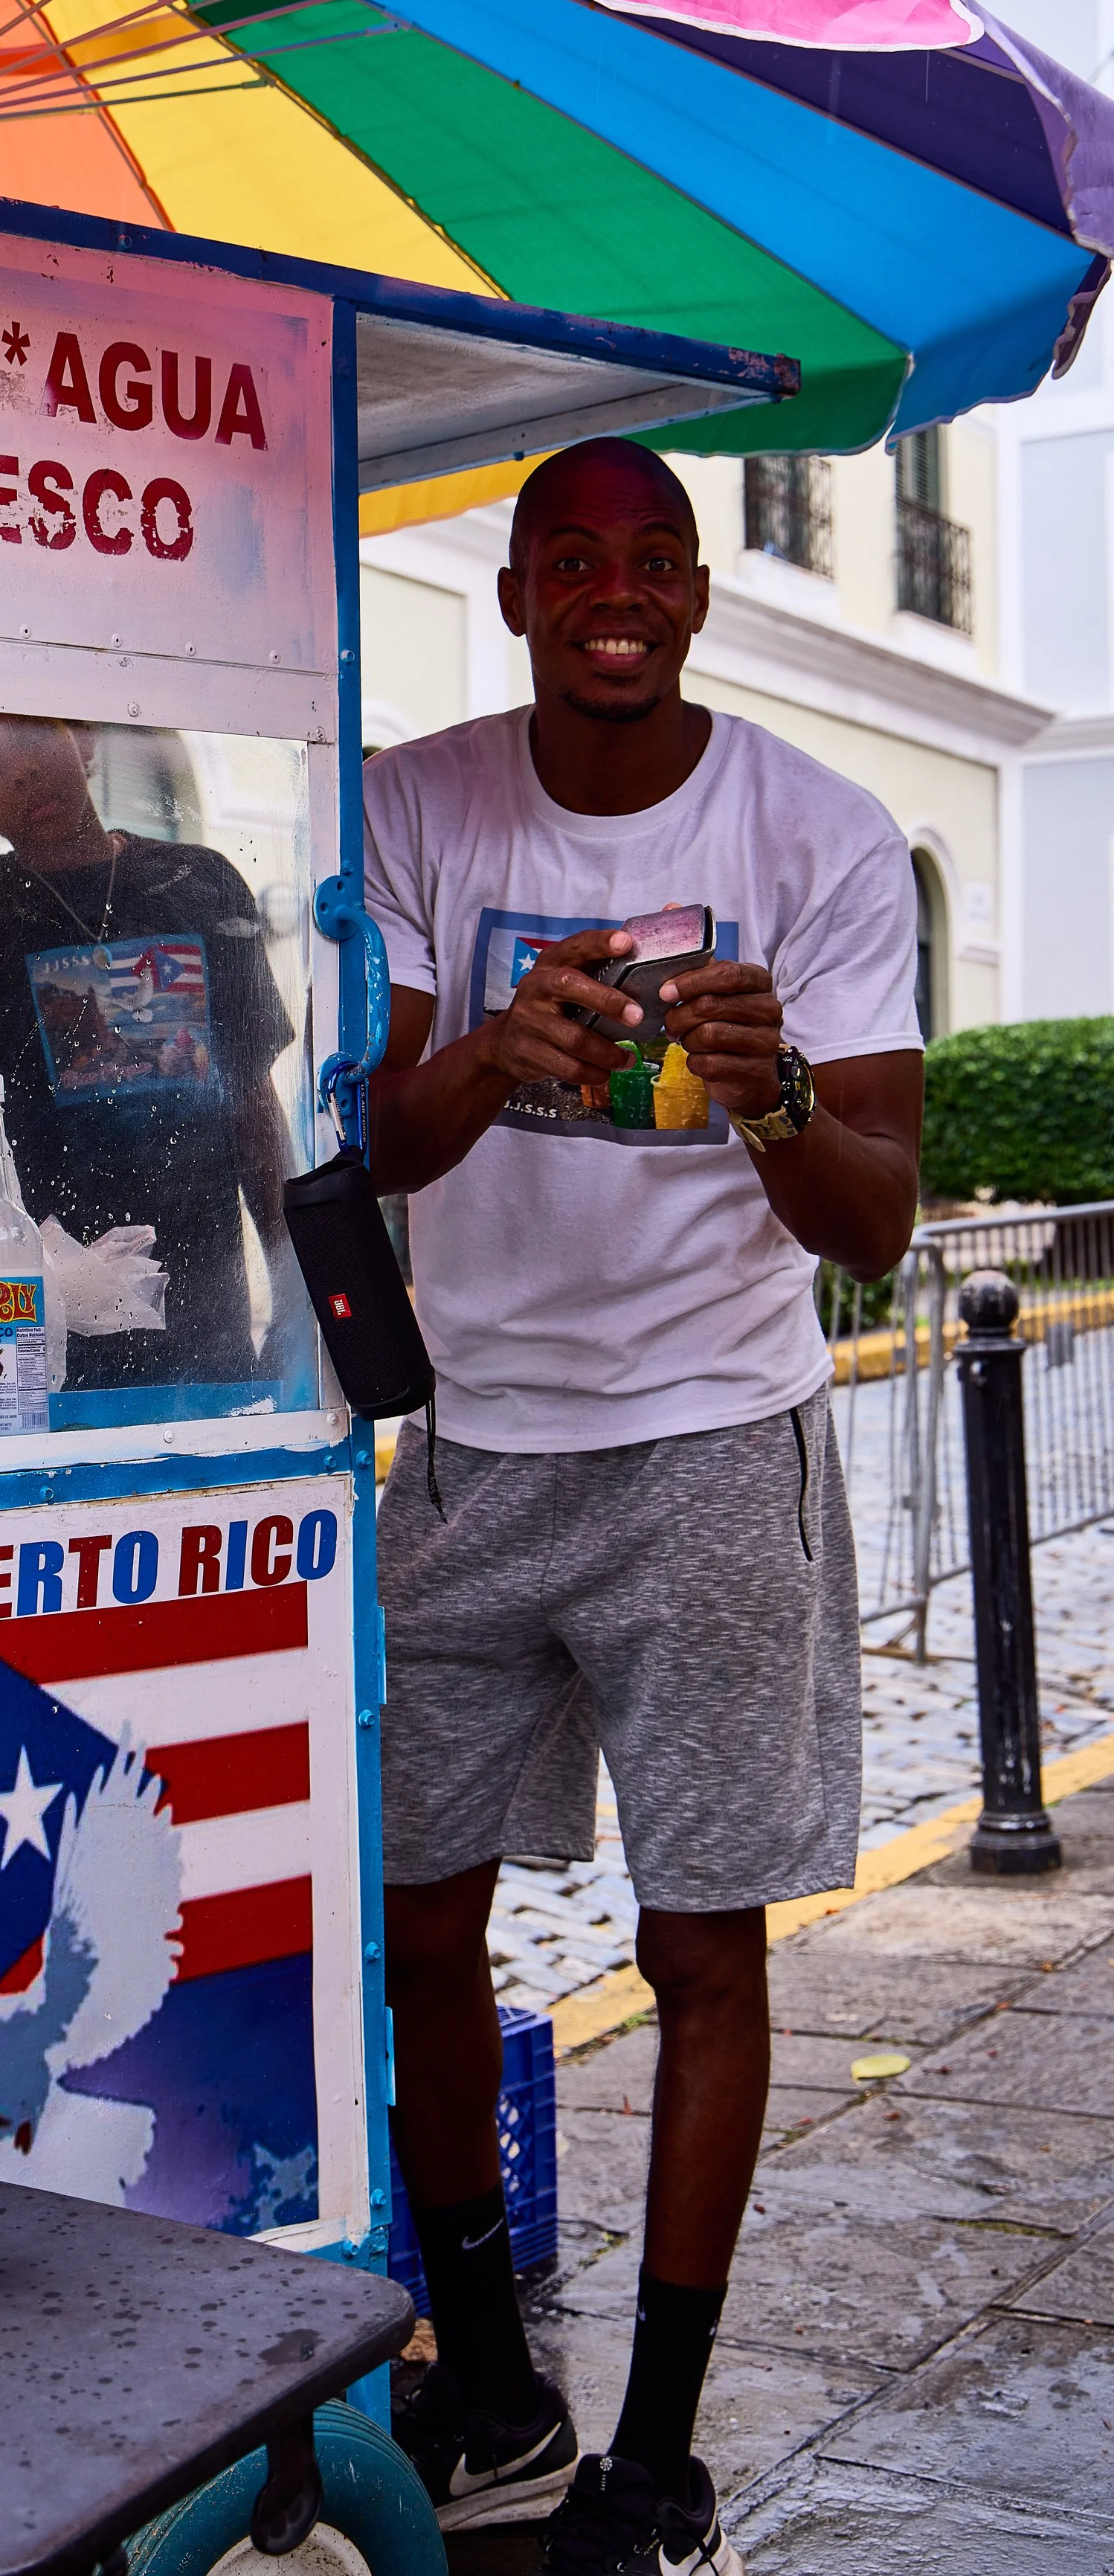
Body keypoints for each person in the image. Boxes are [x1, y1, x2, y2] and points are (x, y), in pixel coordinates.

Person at [364, 438, 923, 2575]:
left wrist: (770, 1083)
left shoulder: (820, 831)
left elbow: (874, 1214)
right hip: (472, 1440)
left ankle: (658, 2456)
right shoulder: (416, 799)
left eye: (651, 563)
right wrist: (500, 1049)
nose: (614, 594)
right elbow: (384, 1149)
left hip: (712, 1436)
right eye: (570, 562)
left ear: (698, 596)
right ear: (513, 595)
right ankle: (495, 2392)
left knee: (700, 1939)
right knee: (421, 1920)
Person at [0, 713, 297, 1390]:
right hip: (32, 1332)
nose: (25, 771)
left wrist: (296, 1285)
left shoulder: (197, 883)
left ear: (82, 737)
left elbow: (253, 1107)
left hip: (205, 1322)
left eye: (32, 738)